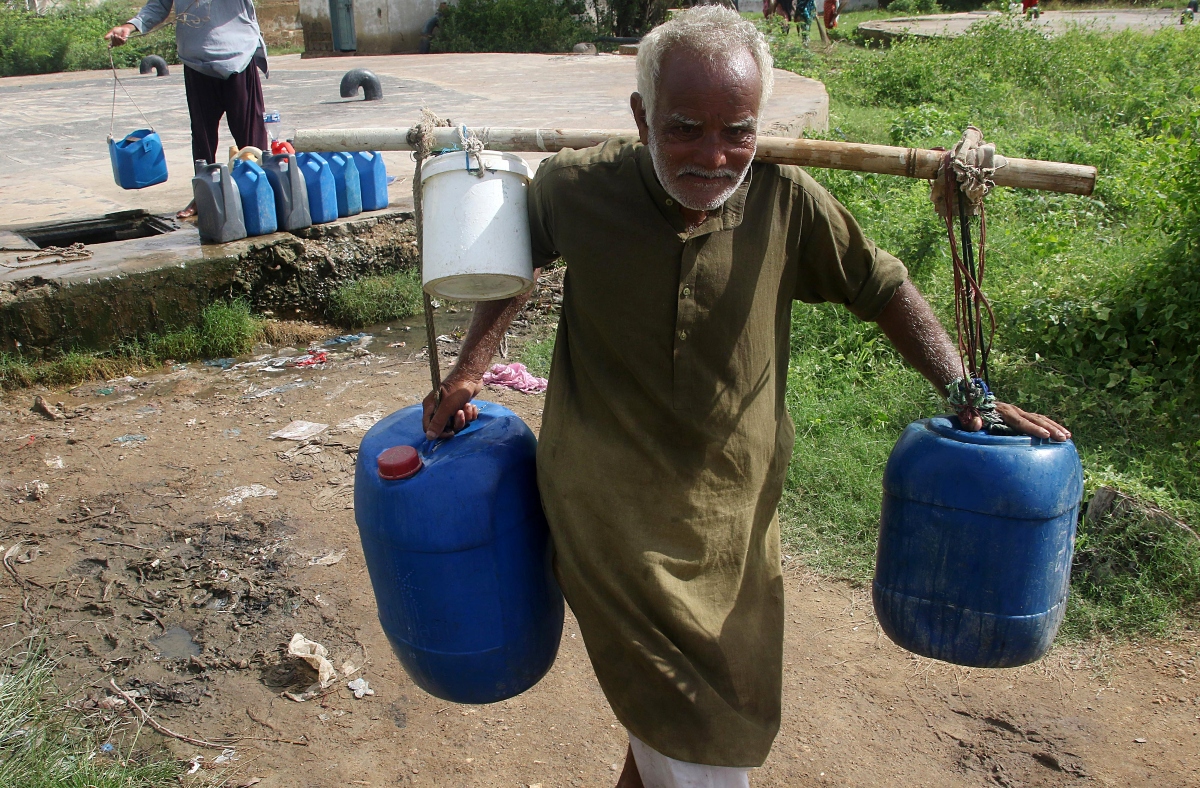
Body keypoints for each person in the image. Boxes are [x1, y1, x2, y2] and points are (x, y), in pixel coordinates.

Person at [424, 7, 1070, 787]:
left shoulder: (786, 200)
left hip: (734, 507)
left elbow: (884, 287)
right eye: (685, 128)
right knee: (701, 736)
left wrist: (968, 389)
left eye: (738, 129)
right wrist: (471, 366)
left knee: (693, 715)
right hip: (607, 503)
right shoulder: (577, 187)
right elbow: (512, 264)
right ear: (642, 116)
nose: (714, 155)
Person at [105, 0, 270, 218]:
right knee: (202, 137)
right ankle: (204, 194)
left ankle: (258, 193)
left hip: (238, 56)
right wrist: (129, 26)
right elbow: (159, 5)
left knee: (250, 137)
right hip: (196, 61)